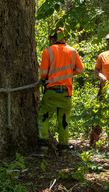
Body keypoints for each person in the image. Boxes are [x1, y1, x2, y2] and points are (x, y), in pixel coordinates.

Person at [34, 27, 84, 157]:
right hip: (66, 93)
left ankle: (43, 148)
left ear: (52, 38)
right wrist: (67, 74)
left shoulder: (48, 51)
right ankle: (63, 150)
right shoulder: (73, 51)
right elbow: (80, 70)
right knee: (63, 121)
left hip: (51, 91)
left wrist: (45, 80)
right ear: (64, 37)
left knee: (43, 117)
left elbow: (43, 73)